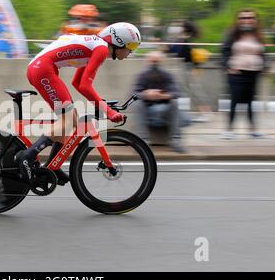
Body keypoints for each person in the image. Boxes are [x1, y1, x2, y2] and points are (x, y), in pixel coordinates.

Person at [16, 22, 141, 184]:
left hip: (42, 68)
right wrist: (109, 112)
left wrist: (100, 103)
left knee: (72, 119)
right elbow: (85, 85)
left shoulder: (96, 45)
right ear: (118, 41)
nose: (130, 52)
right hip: (43, 69)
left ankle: (51, 167)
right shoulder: (101, 49)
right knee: (67, 121)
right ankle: (28, 156)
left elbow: (77, 83)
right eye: (130, 47)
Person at [220, 9, 266, 139]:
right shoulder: (232, 34)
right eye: (243, 18)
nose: (246, 20)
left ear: (255, 20)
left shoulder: (258, 35)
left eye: (250, 17)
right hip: (236, 73)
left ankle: (253, 129)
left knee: (251, 101)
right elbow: (224, 51)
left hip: (253, 73)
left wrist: (263, 65)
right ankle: (229, 130)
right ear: (238, 20)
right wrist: (227, 66)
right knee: (235, 100)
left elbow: (263, 53)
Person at [133, 51, 185, 153]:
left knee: (174, 103)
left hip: (164, 110)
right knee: (138, 104)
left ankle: (176, 140)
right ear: (147, 62)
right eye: (152, 62)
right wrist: (146, 94)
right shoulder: (142, 75)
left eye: (157, 62)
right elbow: (134, 94)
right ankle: (143, 141)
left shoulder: (166, 75)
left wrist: (162, 95)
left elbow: (176, 92)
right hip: (147, 110)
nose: (154, 65)